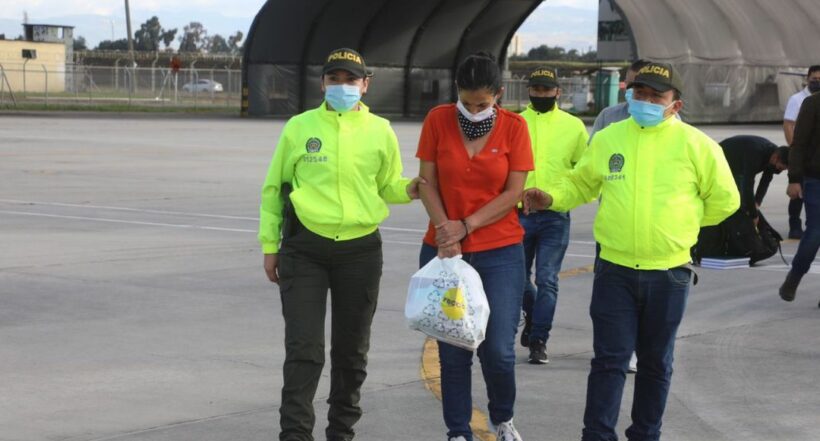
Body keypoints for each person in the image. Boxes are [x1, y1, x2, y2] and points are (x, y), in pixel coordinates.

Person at [524, 62, 739, 441]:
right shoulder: (610, 138)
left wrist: (681, 225)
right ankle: (597, 435)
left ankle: (645, 434)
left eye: (657, 95)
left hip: (669, 273)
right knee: (609, 361)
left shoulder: (697, 145)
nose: (646, 101)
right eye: (640, 93)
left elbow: (725, 201)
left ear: (676, 104)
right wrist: (552, 197)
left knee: (656, 363)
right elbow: (582, 184)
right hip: (615, 270)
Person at [258, 48, 422, 441]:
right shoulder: (299, 127)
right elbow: (272, 189)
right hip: (305, 248)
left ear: (365, 85)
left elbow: (388, 185)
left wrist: (411, 189)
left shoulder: (380, 130)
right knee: (304, 350)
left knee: (351, 353)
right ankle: (295, 435)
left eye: (351, 80)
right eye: (335, 79)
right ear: (323, 83)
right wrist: (270, 244)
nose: (343, 86)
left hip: (360, 252)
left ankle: (341, 432)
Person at [416, 52, 533, 441]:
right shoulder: (437, 119)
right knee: (453, 351)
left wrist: (465, 225)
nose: (473, 109)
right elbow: (425, 182)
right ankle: (457, 431)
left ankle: (502, 417)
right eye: (466, 102)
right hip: (445, 250)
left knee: (498, 349)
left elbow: (514, 191)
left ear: (498, 95)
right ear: (457, 93)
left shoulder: (515, 127)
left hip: (500, 251)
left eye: (482, 104)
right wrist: (445, 230)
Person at [517, 66, 588, 365]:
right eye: (536, 89)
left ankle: (538, 339)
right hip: (518, 214)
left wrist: (556, 196)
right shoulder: (516, 122)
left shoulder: (574, 127)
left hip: (555, 214)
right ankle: (533, 315)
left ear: (558, 92)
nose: (541, 94)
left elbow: (583, 172)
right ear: (529, 91)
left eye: (547, 90)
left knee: (547, 279)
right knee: (517, 278)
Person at [779, 91, 820, 305]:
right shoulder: (813, 103)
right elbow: (799, 143)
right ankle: (794, 277)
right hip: (815, 178)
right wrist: (794, 178)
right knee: (815, 231)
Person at [782, 65, 820, 239]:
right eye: (814, 79)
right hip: (803, 153)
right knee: (797, 194)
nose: (817, 82)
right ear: (807, 79)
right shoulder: (799, 99)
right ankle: (794, 224)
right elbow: (789, 124)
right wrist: (794, 149)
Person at [589, 59, 651, 141]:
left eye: (641, 87)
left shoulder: (670, 119)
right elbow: (592, 149)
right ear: (625, 84)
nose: (636, 91)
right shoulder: (607, 116)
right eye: (632, 85)